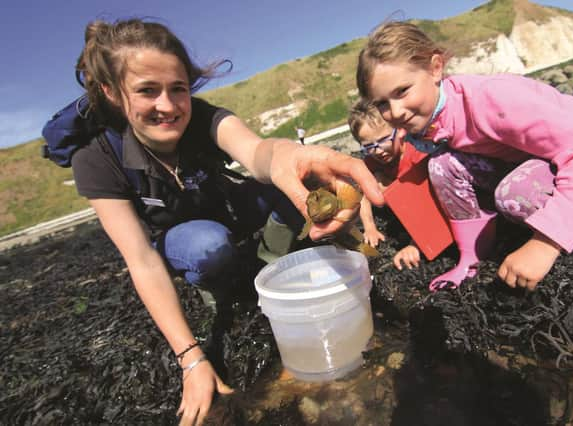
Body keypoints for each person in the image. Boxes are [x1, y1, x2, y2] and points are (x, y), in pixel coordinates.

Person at [63, 18, 383, 426]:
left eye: (178, 89)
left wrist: (288, 157)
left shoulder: (201, 117)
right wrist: (191, 358)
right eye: (147, 90)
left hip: (228, 207)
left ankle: (271, 272)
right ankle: (218, 287)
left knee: (290, 190)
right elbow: (140, 260)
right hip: (184, 239)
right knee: (207, 247)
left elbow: (256, 151)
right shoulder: (95, 159)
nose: (168, 105)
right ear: (111, 92)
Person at [356, 21, 573, 292]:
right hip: (541, 157)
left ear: (435, 68)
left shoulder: (489, 100)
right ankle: (474, 254)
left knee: (513, 194)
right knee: (443, 165)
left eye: (402, 91)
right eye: (382, 103)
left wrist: (545, 243)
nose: (396, 112)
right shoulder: (428, 125)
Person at [348, 99, 425, 270]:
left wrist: (415, 244)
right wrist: (369, 227)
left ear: (400, 130)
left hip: (422, 207)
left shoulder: (417, 155)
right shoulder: (372, 162)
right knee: (372, 178)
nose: (378, 151)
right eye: (369, 146)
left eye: (384, 140)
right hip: (398, 206)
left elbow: (431, 205)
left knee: (383, 181)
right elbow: (361, 194)